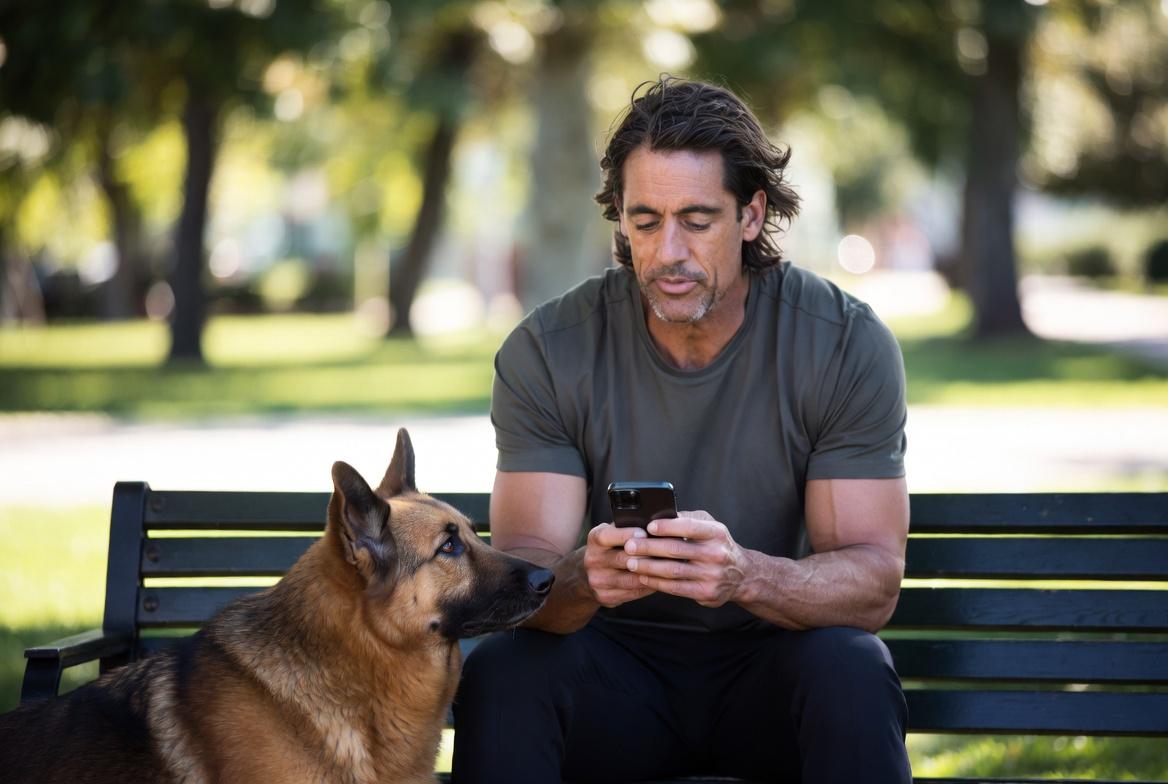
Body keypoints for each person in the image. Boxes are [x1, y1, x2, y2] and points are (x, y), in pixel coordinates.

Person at [452, 76, 911, 783]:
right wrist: (585, 576)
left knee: (849, 666)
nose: (668, 252)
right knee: (508, 671)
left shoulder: (843, 343)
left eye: (697, 221)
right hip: (614, 678)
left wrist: (743, 575)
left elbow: (873, 584)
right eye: (645, 221)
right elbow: (527, 582)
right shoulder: (550, 348)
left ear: (751, 216)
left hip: (770, 672)